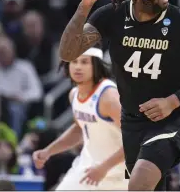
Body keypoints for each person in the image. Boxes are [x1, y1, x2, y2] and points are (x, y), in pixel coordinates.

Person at [58, 0, 180, 190]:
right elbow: (67, 52)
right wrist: (84, 7)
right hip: (133, 120)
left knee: (138, 184)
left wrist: (173, 101)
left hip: (172, 117)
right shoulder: (112, 16)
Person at [32, 47, 127, 190]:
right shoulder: (74, 94)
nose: (78, 67)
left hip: (119, 173)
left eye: (84, 62)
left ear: (95, 65)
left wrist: (103, 168)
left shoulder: (108, 97)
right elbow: (79, 128)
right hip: (88, 167)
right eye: (74, 62)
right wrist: (48, 151)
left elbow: (135, 139)